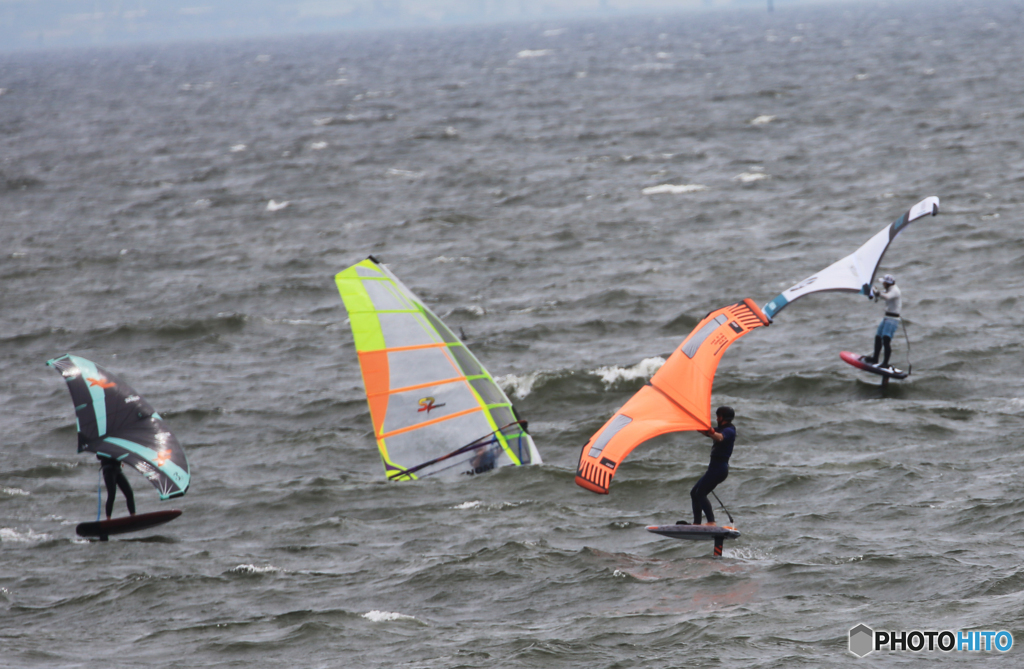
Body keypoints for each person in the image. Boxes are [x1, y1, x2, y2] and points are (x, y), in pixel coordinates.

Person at [679, 406, 736, 526]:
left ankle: (711, 522)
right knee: (694, 492)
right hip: (714, 467)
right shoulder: (721, 428)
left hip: (719, 468)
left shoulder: (729, 430)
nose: (716, 418)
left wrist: (711, 432)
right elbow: (706, 432)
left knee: (700, 493)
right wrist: (694, 421)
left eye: (718, 416)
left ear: (723, 417)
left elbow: (719, 437)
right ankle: (697, 523)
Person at [862, 273, 901, 370]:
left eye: (884, 282)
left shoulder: (895, 291)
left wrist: (877, 292)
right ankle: (875, 359)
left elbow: (887, 297)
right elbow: (881, 295)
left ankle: (885, 363)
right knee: (878, 337)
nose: (882, 284)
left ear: (888, 283)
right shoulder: (888, 289)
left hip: (893, 319)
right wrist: (871, 291)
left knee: (886, 340)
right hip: (887, 317)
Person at [98, 454, 136, 520]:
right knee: (111, 494)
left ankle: (133, 516)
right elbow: (98, 456)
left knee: (129, 493)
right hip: (108, 470)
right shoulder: (105, 444)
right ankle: (108, 519)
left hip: (118, 470)